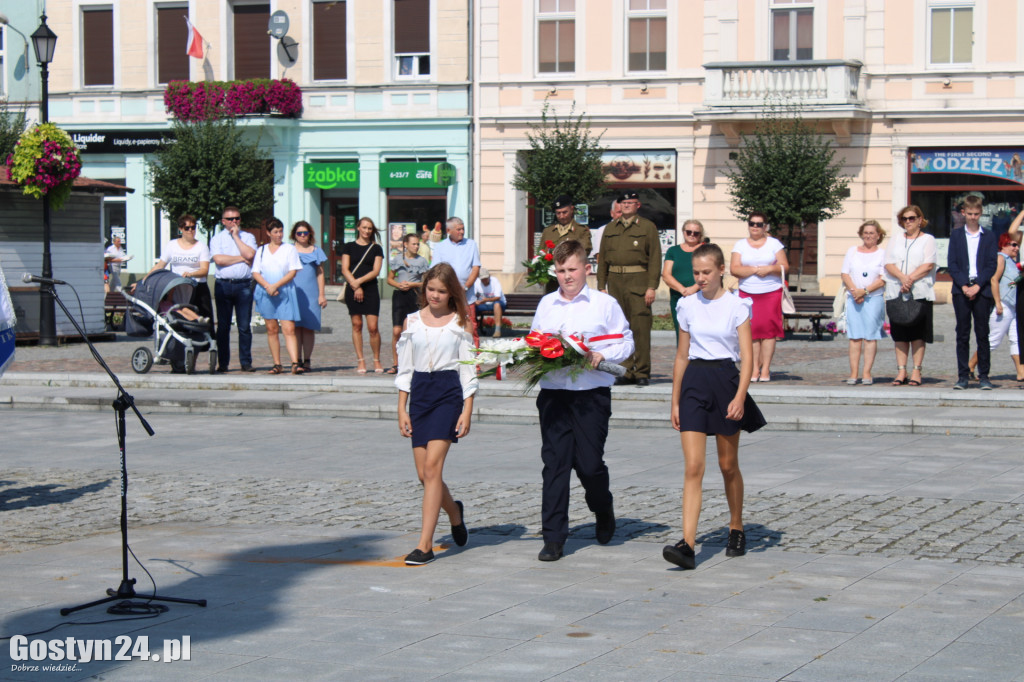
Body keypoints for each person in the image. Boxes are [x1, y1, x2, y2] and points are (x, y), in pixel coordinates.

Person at [663, 242, 766, 570]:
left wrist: (739, 397)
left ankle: (736, 526)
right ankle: (688, 544)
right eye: (696, 272)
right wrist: (675, 400)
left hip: (725, 381)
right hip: (695, 382)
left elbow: (748, 357)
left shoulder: (737, 306)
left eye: (706, 272)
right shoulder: (687, 305)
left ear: (721, 270)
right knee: (694, 467)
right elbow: (681, 355)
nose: (701, 277)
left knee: (727, 465)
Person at [532, 240, 635, 562]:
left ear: (586, 268)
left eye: (572, 269)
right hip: (554, 393)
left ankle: (603, 508)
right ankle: (554, 538)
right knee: (555, 464)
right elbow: (534, 341)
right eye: (561, 271)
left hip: (591, 394)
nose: (566, 276)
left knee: (589, 465)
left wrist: (603, 353)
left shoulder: (604, 304)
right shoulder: (547, 304)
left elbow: (626, 341)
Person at [395, 262, 478, 565]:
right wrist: (401, 408)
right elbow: (404, 368)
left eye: (442, 291)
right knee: (423, 474)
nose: (435, 295)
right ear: (424, 287)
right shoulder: (411, 321)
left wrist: (467, 410)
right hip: (420, 393)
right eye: (431, 289)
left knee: (433, 468)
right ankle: (454, 512)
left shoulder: (460, 323)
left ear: (451, 293)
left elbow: (468, 370)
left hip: (447, 393)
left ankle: (425, 545)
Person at [596, 191, 660, 386]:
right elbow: (603, 259)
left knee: (640, 329)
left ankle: (641, 372)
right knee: (619, 330)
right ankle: (625, 371)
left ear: (637, 205)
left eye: (630, 202)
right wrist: (601, 286)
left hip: (638, 282)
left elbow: (655, 259)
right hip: (615, 282)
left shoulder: (647, 227)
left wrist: (651, 287)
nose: (626, 206)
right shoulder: (610, 228)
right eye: (623, 203)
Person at [729, 212, 788, 383]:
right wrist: (755, 270)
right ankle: (754, 368)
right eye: (752, 223)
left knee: (769, 332)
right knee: (752, 332)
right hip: (748, 292)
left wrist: (769, 269)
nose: (755, 227)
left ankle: (766, 369)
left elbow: (784, 265)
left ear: (765, 226)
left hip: (770, 291)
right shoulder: (740, 245)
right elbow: (735, 269)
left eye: (759, 224)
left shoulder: (774, 244)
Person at [948, 195, 998, 390]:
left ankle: (984, 375)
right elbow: (952, 264)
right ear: (963, 213)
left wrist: (978, 285)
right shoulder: (957, 235)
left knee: (982, 333)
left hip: (982, 289)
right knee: (962, 333)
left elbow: (991, 264)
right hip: (961, 290)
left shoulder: (989, 236)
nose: (973, 217)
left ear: (981, 213)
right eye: (969, 214)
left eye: (976, 214)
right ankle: (962, 376)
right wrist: (964, 285)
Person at [884, 205, 938, 387]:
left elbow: (928, 264)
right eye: (905, 218)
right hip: (896, 291)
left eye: (912, 218)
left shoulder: (928, 239)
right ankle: (901, 370)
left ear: (920, 220)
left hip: (920, 292)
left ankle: (916, 370)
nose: (908, 221)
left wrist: (910, 279)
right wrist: (902, 278)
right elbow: (888, 263)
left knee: (917, 334)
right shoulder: (896, 239)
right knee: (899, 334)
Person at [252, 218, 304, 375]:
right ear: (268, 233)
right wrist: (268, 286)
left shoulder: (289, 249)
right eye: (275, 232)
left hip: (285, 291)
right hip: (266, 292)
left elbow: (293, 271)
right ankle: (277, 363)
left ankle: (295, 362)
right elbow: (255, 272)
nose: (279, 235)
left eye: (281, 231)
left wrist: (277, 285)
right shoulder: (261, 251)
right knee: (271, 328)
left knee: (289, 328)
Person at [969, 234, 1023, 382]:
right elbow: (994, 280)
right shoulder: (1001, 258)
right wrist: (998, 303)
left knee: (1016, 339)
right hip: (1004, 304)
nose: (1016, 248)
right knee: (993, 340)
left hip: (1014, 306)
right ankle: (970, 365)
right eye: (1013, 245)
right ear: (1004, 244)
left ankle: (1021, 372)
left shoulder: (1013, 262)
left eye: (1017, 245)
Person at [210, 206, 258, 373]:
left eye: (237, 218)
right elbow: (219, 260)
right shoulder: (217, 239)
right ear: (223, 221)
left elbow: (251, 255)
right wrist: (241, 258)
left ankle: (246, 362)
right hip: (223, 284)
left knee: (244, 326)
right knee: (223, 326)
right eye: (230, 219)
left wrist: (236, 237)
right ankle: (223, 363)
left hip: (244, 285)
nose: (234, 222)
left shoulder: (248, 237)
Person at [840, 220, 887, 385]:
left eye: (872, 233)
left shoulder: (882, 254)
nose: (868, 236)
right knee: (854, 337)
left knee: (870, 337)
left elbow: (882, 279)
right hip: (854, 298)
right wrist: (855, 291)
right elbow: (845, 273)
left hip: (873, 298)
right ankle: (853, 373)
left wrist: (865, 291)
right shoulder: (852, 251)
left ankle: (867, 372)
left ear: (878, 235)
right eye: (865, 233)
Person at [147, 214, 213, 329]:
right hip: (177, 287)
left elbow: (204, 270)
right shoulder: (172, 245)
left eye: (193, 227)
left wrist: (191, 274)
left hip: (197, 287)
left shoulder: (201, 247)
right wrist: (144, 280)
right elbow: (160, 265)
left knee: (204, 320)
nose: (191, 230)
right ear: (181, 229)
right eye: (187, 228)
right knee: (180, 317)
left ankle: (208, 345)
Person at [341, 217, 385, 374]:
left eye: (370, 228)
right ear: (358, 228)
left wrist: (358, 282)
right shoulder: (349, 247)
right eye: (364, 227)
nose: (367, 231)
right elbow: (345, 268)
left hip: (370, 289)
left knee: (373, 327)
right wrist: (354, 285)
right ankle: (361, 360)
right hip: (352, 289)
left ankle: (376, 359)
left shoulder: (376, 249)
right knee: (357, 324)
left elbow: (376, 271)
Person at [431, 217, 481, 345]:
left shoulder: (471, 244)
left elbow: (475, 267)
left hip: (466, 295)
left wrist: (466, 286)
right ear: (448, 230)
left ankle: (474, 362)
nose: (462, 232)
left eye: (463, 228)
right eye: (458, 229)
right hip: (447, 296)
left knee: (471, 328)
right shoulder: (441, 246)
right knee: (448, 327)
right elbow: (436, 270)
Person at [387, 232, 429, 374]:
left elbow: (426, 282)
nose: (416, 246)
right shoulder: (397, 259)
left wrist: (412, 284)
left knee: (413, 329)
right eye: (414, 244)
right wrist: (398, 285)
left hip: (415, 295)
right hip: (400, 295)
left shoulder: (422, 261)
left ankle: (413, 362)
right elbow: (390, 279)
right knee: (397, 330)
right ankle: (396, 363)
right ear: (406, 245)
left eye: (418, 244)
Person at [291, 221, 328, 372]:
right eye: (299, 233)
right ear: (294, 235)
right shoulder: (289, 250)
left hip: (311, 293)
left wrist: (321, 294)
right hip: (294, 292)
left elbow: (320, 273)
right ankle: (296, 359)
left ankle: (307, 359)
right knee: (294, 327)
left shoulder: (316, 251)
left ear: (309, 234)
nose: (302, 236)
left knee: (308, 327)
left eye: (305, 233)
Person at [540, 195, 593, 293]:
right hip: (552, 281)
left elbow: (585, 250)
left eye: (564, 212)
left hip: (573, 280)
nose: (561, 216)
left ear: (572, 209)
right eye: (558, 213)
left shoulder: (581, 230)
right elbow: (541, 253)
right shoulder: (548, 231)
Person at [663, 219, 705, 342]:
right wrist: (682, 290)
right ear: (683, 232)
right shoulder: (673, 251)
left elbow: (711, 272)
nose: (692, 235)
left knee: (700, 331)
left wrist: (694, 288)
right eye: (689, 232)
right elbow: (666, 274)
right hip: (678, 297)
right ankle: (683, 360)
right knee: (681, 332)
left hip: (701, 296)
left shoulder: (705, 249)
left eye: (696, 233)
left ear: (700, 234)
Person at [473, 267, 506, 337]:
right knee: (471, 307)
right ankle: (472, 329)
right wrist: (475, 302)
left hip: (498, 303)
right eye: (482, 279)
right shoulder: (476, 282)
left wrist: (486, 300)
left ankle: (497, 330)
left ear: (489, 276)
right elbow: (473, 296)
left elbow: (498, 297)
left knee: (497, 304)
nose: (484, 280)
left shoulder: (495, 281)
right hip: (483, 304)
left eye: (486, 278)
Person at [590, 199, 621, 266]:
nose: (622, 215)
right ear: (612, 213)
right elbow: (599, 257)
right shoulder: (603, 230)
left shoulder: (635, 229)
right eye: (619, 212)